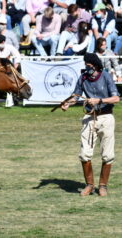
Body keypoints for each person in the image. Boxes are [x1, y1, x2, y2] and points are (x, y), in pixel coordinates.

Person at [61, 53, 120, 197]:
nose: (87, 68)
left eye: (88, 65)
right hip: (89, 118)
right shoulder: (83, 78)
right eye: (85, 65)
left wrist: (99, 101)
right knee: (84, 154)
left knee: (107, 154)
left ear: (95, 65)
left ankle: (103, 186)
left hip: (106, 117)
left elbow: (116, 98)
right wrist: (68, 103)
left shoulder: (106, 76)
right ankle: (89, 185)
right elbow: (76, 96)